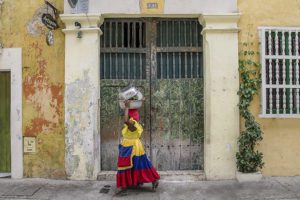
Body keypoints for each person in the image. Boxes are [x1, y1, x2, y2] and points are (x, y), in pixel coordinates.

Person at [116, 101, 160, 195]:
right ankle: (151, 180)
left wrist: (127, 107)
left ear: (131, 117)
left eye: (128, 115)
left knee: (125, 166)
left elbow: (126, 121)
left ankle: (124, 188)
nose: (126, 116)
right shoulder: (135, 124)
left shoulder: (133, 124)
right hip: (132, 147)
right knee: (140, 165)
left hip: (131, 148)